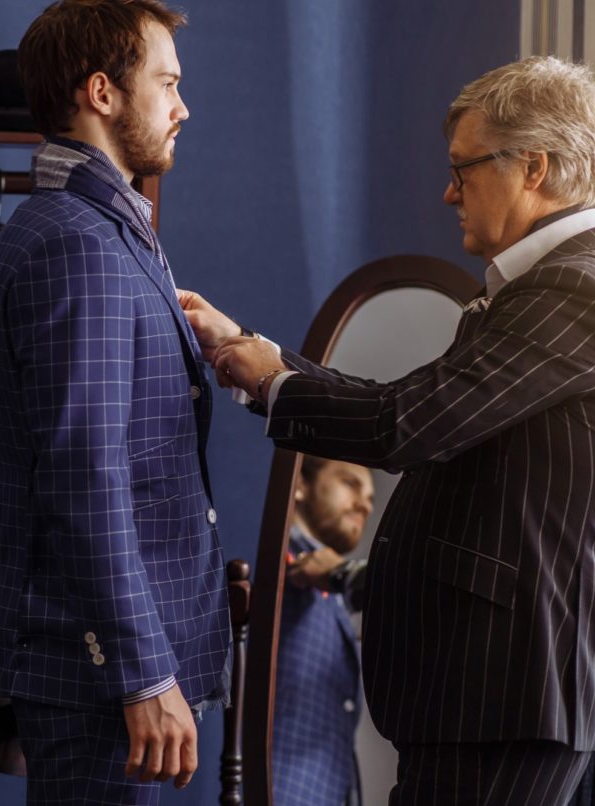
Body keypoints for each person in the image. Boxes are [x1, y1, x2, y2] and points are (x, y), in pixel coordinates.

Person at [179, 55, 595, 805]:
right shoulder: (546, 285)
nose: (448, 193)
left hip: (501, 700)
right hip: (482, 701)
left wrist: (272, 380)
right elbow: (417, 404)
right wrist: (252, 351)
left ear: (533, 166)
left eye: (463, 171)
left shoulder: (576, 285)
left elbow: (408, 422)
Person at [0, 1, 232, 803]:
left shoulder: (106, 231)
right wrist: (141, 676)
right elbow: (84, 477)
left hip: (102, 671)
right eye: (165, 83)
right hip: (99, 680)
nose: (181, 107)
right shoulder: (77, 243)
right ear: (102, 92)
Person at [274, 456, 374, 806]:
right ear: (300, 484)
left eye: (371, 498)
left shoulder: (335, 593)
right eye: (350, 483)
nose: (364, 503)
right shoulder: (270, 562)